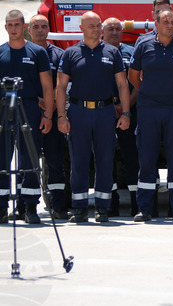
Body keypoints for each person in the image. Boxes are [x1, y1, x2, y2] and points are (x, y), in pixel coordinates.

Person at [57, 12, 131, 224]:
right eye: (92, 26)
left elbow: (122, 84)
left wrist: (126, 113)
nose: (97, 29)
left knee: (105, 160)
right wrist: (61, 116)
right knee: (78, 161)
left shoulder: (112, 52)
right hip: (78, 112)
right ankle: (79, 208)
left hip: (105, 112)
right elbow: (60, 87)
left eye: (99, 25)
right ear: (81, 28)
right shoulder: (70, 53)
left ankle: (103, 208)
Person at [0, 9, 53, 225]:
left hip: (29, 108)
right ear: (6, 27)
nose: (13, 29)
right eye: (10, 25)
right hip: (3, 109)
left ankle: (30, 207)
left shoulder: (37, 53)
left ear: (24, 27)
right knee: (2, 159)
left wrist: (48, 115)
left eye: (17, 25)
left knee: (30, 159)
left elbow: (47, 86)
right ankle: (0, 208)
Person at [127, 9, 173, 222]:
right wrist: (149, 92)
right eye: (165, 21)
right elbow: (133, 76)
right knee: (147, 158)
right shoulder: (143, 45)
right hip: (148, 108)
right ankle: (145, 208)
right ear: (156, 24)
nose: (169, 25)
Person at [29, 14, 69, 219]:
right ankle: (26, 207)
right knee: (28, 162)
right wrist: (37, 101)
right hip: (28, 114)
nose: (40, 30)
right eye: (36, 26)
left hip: (53, 115)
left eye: (44, 26)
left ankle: (58, 206)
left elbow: (62, 84)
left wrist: (50, 104)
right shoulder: (22, 52)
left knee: (55, 161)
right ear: (29, 30)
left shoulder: (60, 55)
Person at [103, 16, 139, 217]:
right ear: (103, 32)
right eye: (111, 29)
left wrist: (125, 107)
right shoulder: (97, 52)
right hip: (104, 111)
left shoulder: (131, 53)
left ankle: (136, 202)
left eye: (118, 29)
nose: (115, 32)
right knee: (105, 157)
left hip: (128, 112)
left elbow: (138, 82)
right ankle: (111, 203)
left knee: (132, 156)